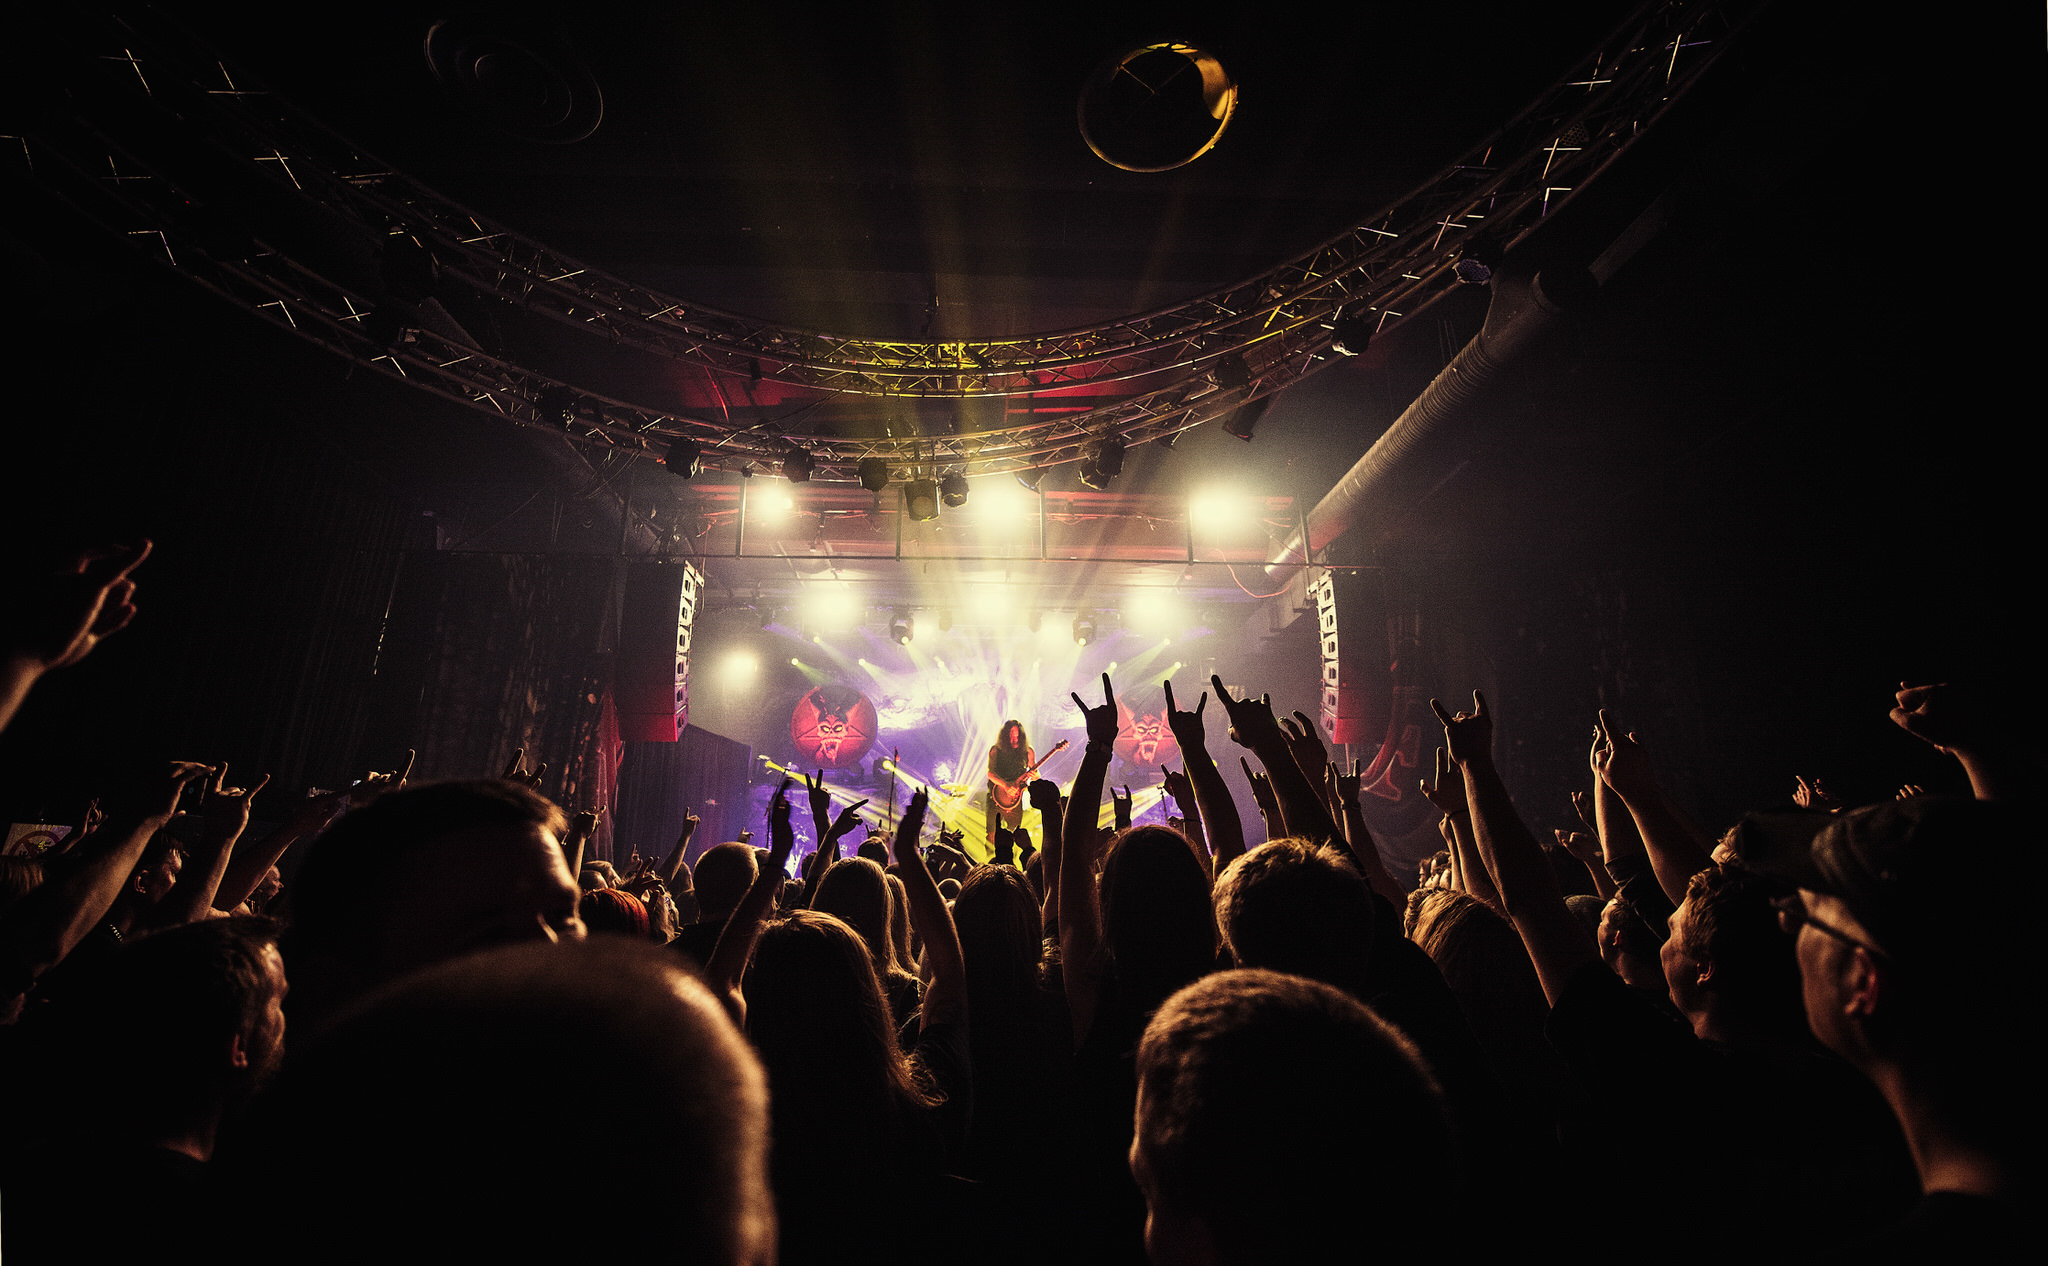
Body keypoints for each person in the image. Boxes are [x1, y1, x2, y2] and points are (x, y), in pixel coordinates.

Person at [986, 719, 1035, 843]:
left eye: (1017, 735)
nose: (1014, 738)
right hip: (995, 798)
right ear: (1005, 735)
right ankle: (991, 854)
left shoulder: (1028, 752)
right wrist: (1005, 785)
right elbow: (990, 774)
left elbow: (1035, 773)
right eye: (1011, 735)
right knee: (992, 835)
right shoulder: (995, 750)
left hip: (1015, 800)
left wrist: (1034, 775)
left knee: (1015, 834)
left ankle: (1012, 855)